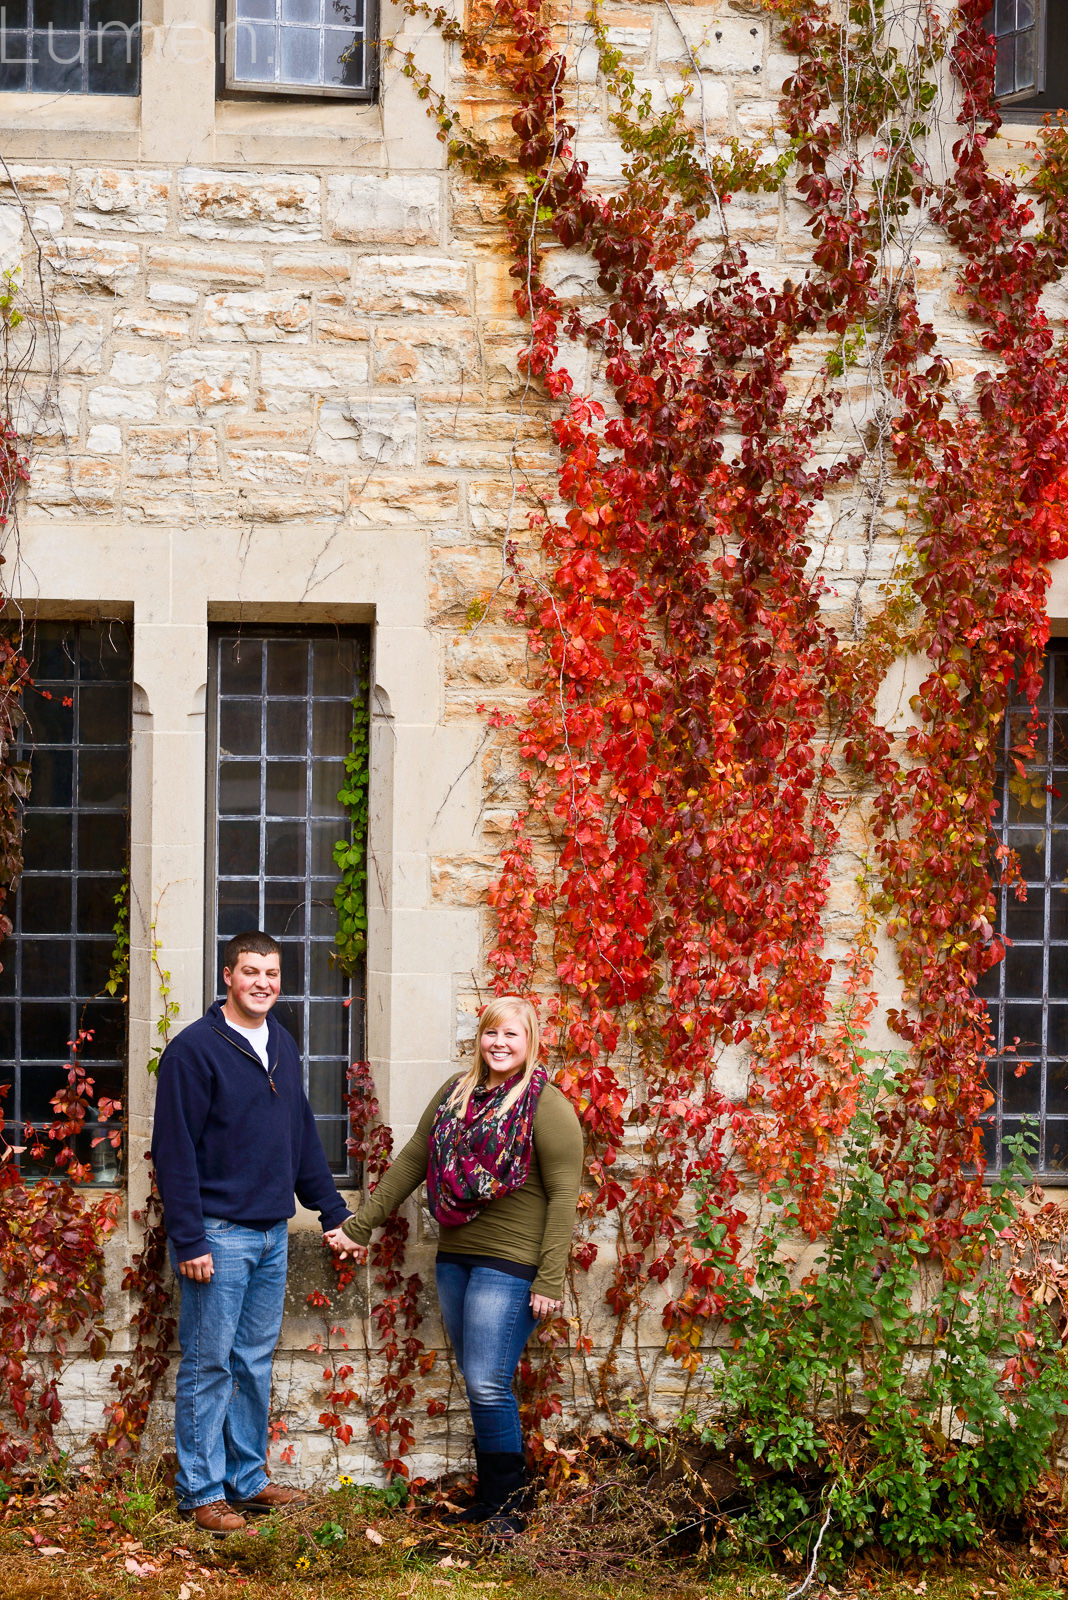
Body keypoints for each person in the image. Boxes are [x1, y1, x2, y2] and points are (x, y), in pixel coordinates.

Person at [335, 995, 584, 1538]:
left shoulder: (546, 1105)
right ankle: (493, 1501)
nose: (499, 1043)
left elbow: (565, 1195)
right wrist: (362, 1223)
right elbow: (414, 1160)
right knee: (478, 1382)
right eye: (491, 1033)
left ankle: (511, 1506)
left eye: (511, 1035)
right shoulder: (455, 1094)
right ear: (480, 1038)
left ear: (530, 1041)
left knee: (488, 1382)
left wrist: (548, 1278)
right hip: (457, 1259)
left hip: (512, 1263)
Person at [151, 929, 354, 1535]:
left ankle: (247, 1479)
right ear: (227, 977)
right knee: (209, 1364)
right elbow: (174, 1150)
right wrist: (189, 1240)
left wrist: (331, 1210)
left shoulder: (281, 1043)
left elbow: (299, 1136)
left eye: (271, 973)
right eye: (250, 972)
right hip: (218, 1235)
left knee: (253, 1361)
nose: (262, 982)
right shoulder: (195, 1050)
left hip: (270, 1235)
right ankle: (200, 1493)